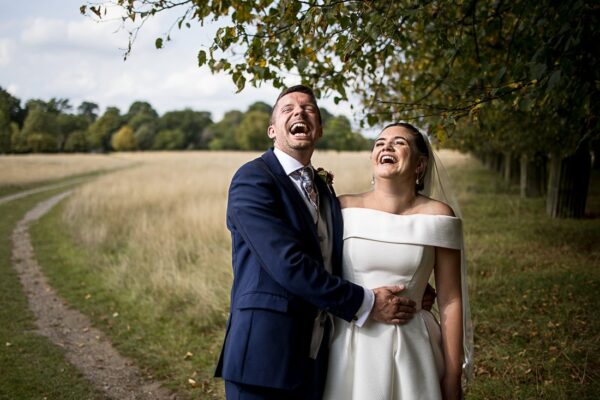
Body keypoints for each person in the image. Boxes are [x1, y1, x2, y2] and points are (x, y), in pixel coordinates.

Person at [214, 86, 427, 399]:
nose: (299, 112)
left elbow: (340, 255)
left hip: (319, 358)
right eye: (287, 108)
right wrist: (366, 303)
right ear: (272, 130)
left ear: (320, 130)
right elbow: (288, 264)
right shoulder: (253, 180)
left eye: (308, 108)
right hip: (265, 356)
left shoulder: (323, 188)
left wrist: (409, 285)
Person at [323, 122, 474, 400]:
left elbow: (451, 299)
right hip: (350, 338)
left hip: (413, 341)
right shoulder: (342, 208)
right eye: (379, 142)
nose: (386, 146)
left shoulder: (439, 214)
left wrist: (453, 374)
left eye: (399, 142)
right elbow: (321, 274)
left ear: (420, 164)